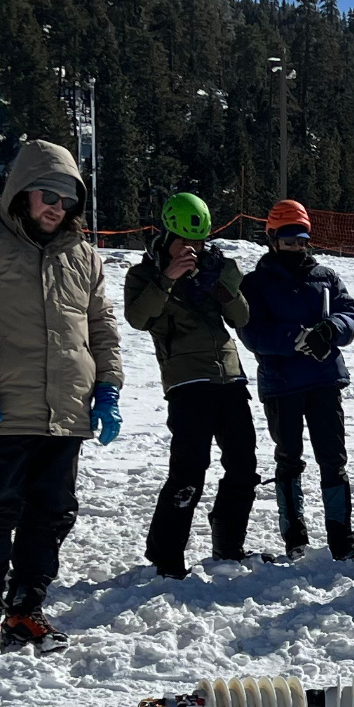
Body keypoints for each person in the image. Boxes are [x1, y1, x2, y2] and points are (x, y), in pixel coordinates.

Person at [0, 144, 123, 659]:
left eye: (68, 198)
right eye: (48, 195)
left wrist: (108, 387)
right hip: (1, 408)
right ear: (22, 193)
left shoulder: (83, 255)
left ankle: (25, 610)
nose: (57, 206)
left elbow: (101, 326)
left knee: (51, 515)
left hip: (66, 412)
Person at [125, 191, 254, 577]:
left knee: (244, 467)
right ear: (167, 236)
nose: (192, 249)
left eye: (198, 242)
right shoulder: (144, 274)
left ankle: (229, 543)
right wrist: (168, 279)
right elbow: (138, 318)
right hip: (185, 381)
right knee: (188, 471)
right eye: (184, 242)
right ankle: (166, 555)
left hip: (229, 377)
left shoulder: (220, 265)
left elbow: (242, 318)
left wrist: (216, 285)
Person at [240, 200, 354, 560]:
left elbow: (350, 314)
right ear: (272, 239)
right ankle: (295, 538)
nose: (295, 247)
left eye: (301, 240)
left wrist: (330, 330)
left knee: (333, 459)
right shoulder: (256, 283)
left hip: (323, 380)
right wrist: (297, 337)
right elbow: (252, 332)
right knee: (288, 459)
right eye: (288, 240)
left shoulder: (324, 277)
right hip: (281, 384)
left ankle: (342, 538)